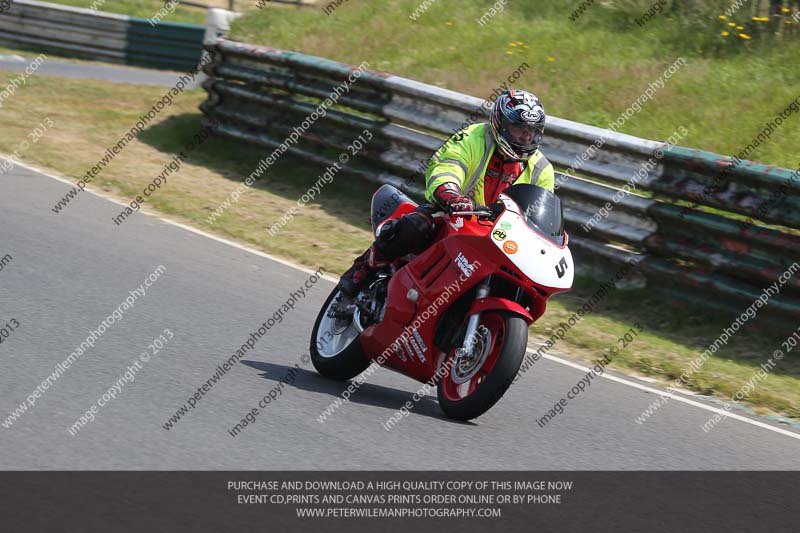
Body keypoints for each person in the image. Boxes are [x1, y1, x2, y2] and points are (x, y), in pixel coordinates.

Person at [339, 89, 556, 297]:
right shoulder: (473, 138)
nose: (526, 138)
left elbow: (539, 212)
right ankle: (366, 265)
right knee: (418, 225)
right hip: (456, 213)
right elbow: (447, 167)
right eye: (519, 128)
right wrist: (451, 195)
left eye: (533, 131)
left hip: (498, 235)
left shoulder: (542, 169)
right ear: (500, 124)